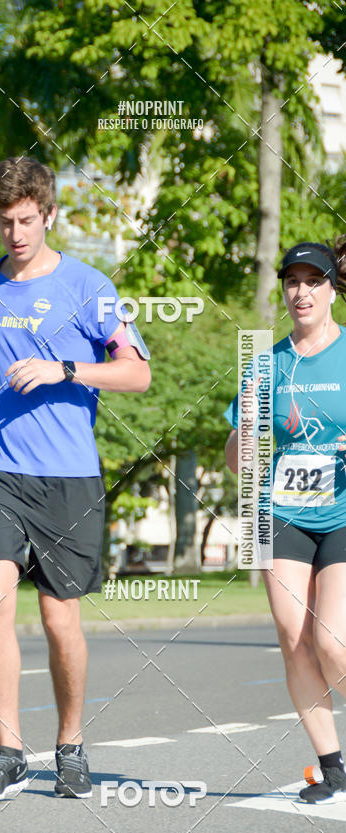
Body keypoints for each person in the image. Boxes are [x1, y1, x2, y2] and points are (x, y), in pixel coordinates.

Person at [0, 157, 151, 800]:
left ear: (50, 214)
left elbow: (137, 373)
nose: (16, 233)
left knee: (61, 620)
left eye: (27, 220)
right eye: (5, 222)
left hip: (67, 474)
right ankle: (8, 748)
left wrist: (65, 369)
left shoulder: (89, 287)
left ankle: (70, 744)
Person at [225, 236, 346, 803]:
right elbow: (236, 459)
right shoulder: (264, 364)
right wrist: (243, 434)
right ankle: (332, 767)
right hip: (281, 513)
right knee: (293, 638)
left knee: (332, 642)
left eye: (313, 281)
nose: (301, 291)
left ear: (332, 290)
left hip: (343, 513)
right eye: (292, 281)